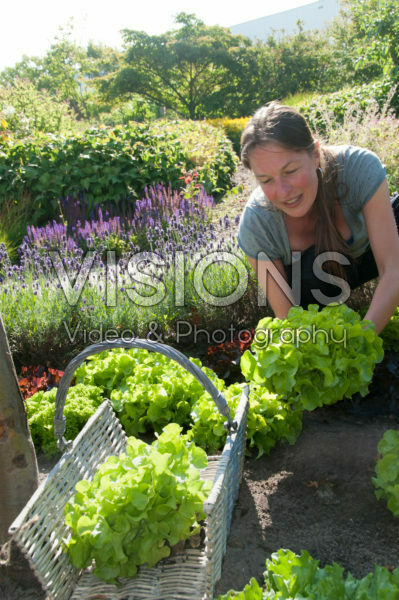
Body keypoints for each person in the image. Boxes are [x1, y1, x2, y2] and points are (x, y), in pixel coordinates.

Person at [237, 101, 399, 335]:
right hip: (316, 290)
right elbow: (289, 321)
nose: (283, 191)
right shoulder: (257, 224)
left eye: (290, 171)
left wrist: (363, 340)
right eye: (266, 180)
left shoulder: (359, 167)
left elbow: (393, 268)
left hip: (367, 258)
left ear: (314, 154)